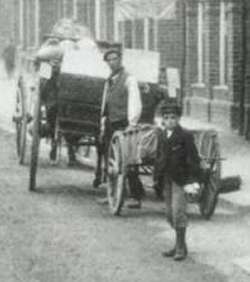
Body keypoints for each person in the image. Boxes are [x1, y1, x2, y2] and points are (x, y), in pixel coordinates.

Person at [154, 100, 203, 261]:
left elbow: (194, 160)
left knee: (178, 211)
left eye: (173, 118)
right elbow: (159, 157)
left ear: (178, 119)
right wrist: (156, 177)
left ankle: (181, 247)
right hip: (167, 178)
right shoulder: (161, 136)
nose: (170, 121)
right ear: (163, 120)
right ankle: (178, 244)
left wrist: (194, 181)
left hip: (181, 180)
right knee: (169, 214)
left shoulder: (185, 136)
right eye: (167, 118)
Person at [99, 48, 144, 209]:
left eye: (115, 59)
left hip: (124, 124)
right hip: (111, 123)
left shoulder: (128, 79)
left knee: (129, 160)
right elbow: (106, 101)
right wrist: (103, 120)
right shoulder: (109, 80)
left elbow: (135, 101)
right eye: (109, 60)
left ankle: (136, 196)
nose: (112, 62)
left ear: (120, 60)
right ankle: (114, 193)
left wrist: (132, 122)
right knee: (111, 161)